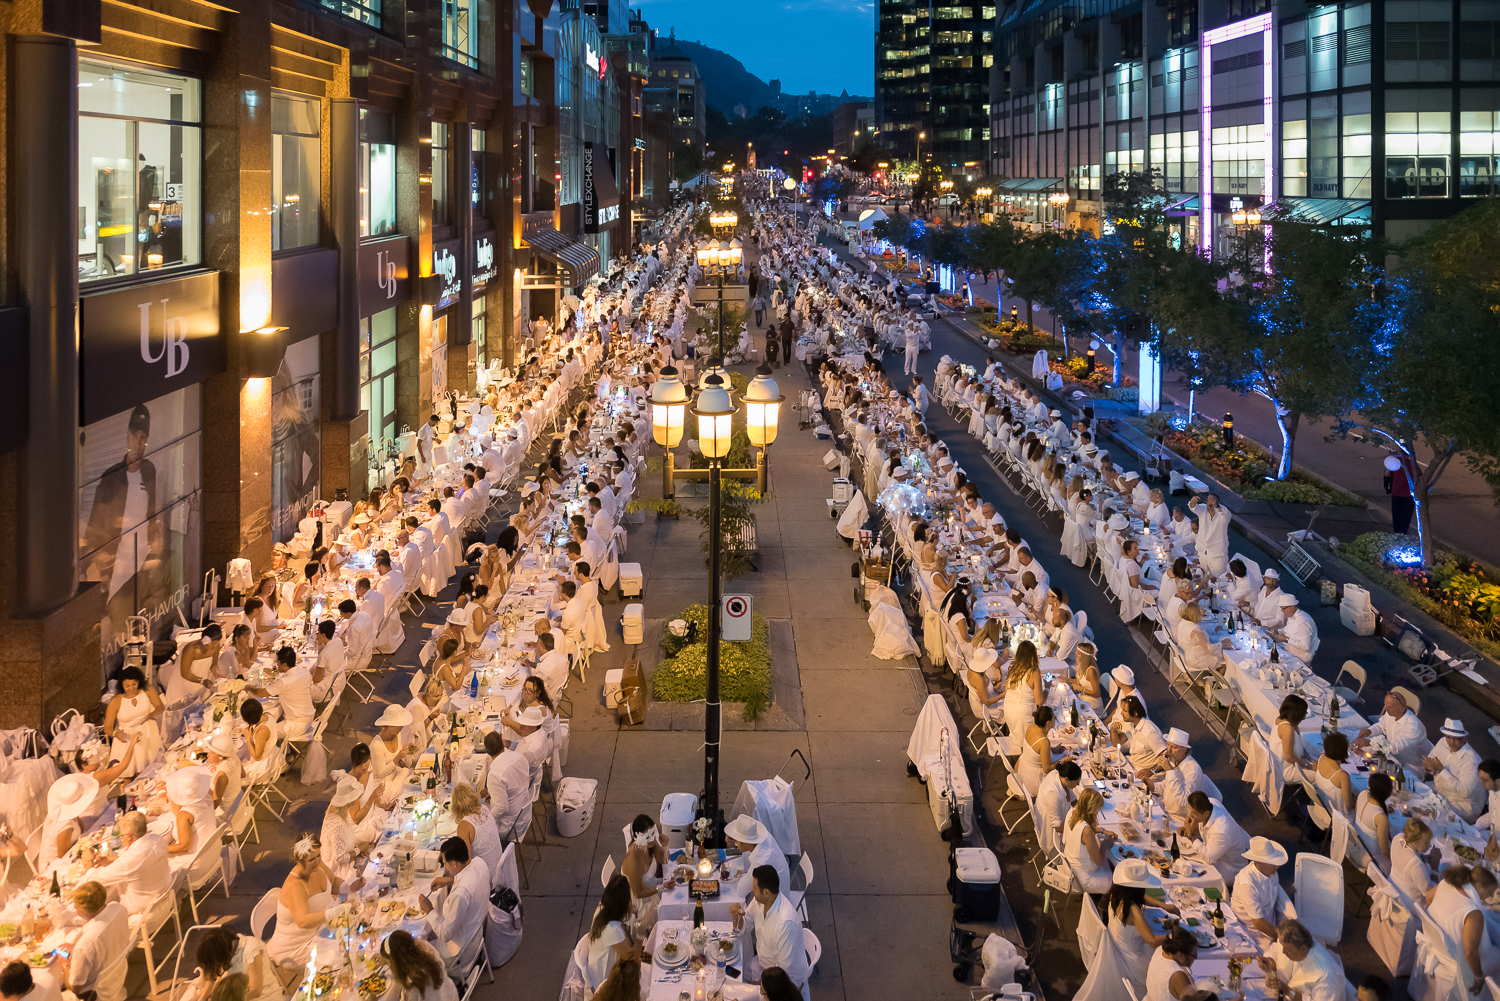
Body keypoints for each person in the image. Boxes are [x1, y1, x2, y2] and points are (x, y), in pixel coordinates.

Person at [268, 834, 362, 970]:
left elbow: (334, 882)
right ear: (299, 861)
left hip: (323, 928)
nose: (317, 861)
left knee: (358, 932)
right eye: (312, 859)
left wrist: (349, 887)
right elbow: (303, 921)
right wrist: (332, 913)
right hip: (297, 947)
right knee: (345, 955)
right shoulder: (295, 886)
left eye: (319, 855)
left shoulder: (317, 865)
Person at [731, 866, 809, 1000]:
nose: (751, 890)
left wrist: (761, 986)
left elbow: (784, 972)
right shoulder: (759, 901)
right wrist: (736, 917)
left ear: (766, 892)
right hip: (763, 963)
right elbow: (746, 925)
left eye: (754, 887)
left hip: (782, 984)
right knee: (733, 980)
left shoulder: (786, 923)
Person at [418, 837, 490, 977]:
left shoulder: (459, 895)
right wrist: (450, 880)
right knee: (431, 932)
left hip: (459, 953)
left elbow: (445, 935)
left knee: (417, 949)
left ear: (454, 864)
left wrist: (429, 910)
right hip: (477, 933)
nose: (444, 866)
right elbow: (472, 883)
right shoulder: (479, 863)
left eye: (445, 863)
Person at [1108, 859, 1178, 993]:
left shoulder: (1117, 894)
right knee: (1171, 958)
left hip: (1120, 953)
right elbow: (1152, 941)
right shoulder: (1133, 910)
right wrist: (1175, 934)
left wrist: (1162, 905)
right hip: (1134, 964)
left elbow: (1141, 897)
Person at [85, 809, 172, 912]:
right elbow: (140, 862)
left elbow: (93, 879)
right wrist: (112, 860)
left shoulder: (129, 861)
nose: (121, 839)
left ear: (129, 836)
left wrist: (88, 862)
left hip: (143, 913)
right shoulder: (158, 839)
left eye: (121, 836)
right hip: (166, 899)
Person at [59, 882, 130, 1001]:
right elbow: (108, 936)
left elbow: (74, 988)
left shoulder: (84, 947)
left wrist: (65, 965)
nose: (74, 908)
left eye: (75, 905)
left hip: (95, 994)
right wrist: (77, 946)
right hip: (118, 975)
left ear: (84, 911)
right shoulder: (118, 908)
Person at [188, 924, 278, 1001]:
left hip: (263, 997)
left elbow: (256, 991)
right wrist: (201, 999)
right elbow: (212, 977)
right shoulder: (224, 948)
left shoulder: (251, 950)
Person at [1260, 919, 1343, 1001]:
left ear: (1303, 949)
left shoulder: (1325, 976)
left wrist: (1289, 992)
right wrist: (1271, 961)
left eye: (1287, 950)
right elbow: (1276, 949)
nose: (1283, 952)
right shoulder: (1290, 944)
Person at [1179, 791, 1251, 886]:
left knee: (1191, 875)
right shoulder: (1211, 802)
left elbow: (1209, 857)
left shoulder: (1221, 830)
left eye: (1193, 813)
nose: (1190, 816)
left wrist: (1193, 836)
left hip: (1229, 868)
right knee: (1185, 861)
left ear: (1205, 813)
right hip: (1215, 853)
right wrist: (1187, 828)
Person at [102, 665, 164, 775]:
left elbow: (160, 706)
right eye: (127, 686)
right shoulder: (116, 701)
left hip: (147, 734)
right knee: (127, 774)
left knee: (153, 770)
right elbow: (107, 727)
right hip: (126, 739)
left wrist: (152, 714)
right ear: (122, 685)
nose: (131, 688)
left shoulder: (147, 690)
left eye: (134, 684)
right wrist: (116, 733)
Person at [620, 814, 675, 934]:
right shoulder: (634, 860)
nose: (652, 839)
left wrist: (665, 845)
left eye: (653, 834)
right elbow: (638, 893)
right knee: (668, 907)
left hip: (651, 887)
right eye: (647, 836)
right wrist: (662, 887)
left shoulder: (649, 840)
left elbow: (664, 860)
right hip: (637, 900)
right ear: (637, 837)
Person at [1423, 718, 1486, 822]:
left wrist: (1441, 770)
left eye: (1456, 738)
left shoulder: (1471, 761)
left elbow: (1465, 792)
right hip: (1440, 790)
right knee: (1416, 797)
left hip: (1462, 804)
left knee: (1436, 816)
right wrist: (1430, 768)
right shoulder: (1443, 742)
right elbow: (1431, 763)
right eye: (1449, 737)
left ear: (1464, 738)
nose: (1451, 742)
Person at [581, 874, 636, 993]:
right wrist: (643, 929)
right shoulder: (613, 930)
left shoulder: (601, 909)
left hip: (595, 966)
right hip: (605, 980)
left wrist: (627, 908)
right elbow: (632, 959)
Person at [1231, 837, 1293, 940]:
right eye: (1272, 862)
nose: (1277, 866)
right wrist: (1285, 940)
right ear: (1258, 862)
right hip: (1250, 934)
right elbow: (1258, 924)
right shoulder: (1247, 883)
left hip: (1270, 927)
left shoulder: (1272, 873)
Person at [1147, 729, 1211, 823]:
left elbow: (1182, 803)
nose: (1169, 750)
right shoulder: (1174, 761)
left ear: (1184, 749)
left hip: (1180, 819)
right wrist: (1153, 786)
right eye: (1168, 744)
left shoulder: (1193, 770)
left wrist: (1170, 771)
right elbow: (1168, 786)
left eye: (1174, 747)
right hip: (1167, 809)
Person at [449, 783, 504, 891]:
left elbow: (464, 865)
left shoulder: (465, 825)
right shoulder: (484, 808)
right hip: (498, 869)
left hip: (483, 878)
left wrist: (447, 880)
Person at [1354, 690, 1430, 767]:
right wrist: (1369, 731)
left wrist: (1370, 742)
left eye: (1389, 707)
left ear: (1402, 709)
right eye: (1385, 705)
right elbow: (1382, 726)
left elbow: (1394, 746)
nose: (1386, 709)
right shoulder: (1391, 713)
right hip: (1390, 757)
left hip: (1410, 766)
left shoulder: (1413, 727)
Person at [39, 773, 97, 872]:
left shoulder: (60, 811)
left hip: (67, 853)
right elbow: (62, 857)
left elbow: (80, 827)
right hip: (53, 868)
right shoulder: (66, 826)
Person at [378, 930, 457, 1001]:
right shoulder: (425, 947)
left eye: (390, 963)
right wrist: (385, 959)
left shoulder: (412, 982)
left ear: (398, 963)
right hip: (449, 993)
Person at [725, 815, 790, 902]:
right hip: (777, 884)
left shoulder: (760, 861)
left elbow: (741, 891)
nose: (735, 844)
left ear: (745, 842)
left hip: (776, 900)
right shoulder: (761, 839)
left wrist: (740, 876)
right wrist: (736, 840)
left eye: (736, 843)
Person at [482, 730, 531, 842]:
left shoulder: (494, 775)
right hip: (525, 813)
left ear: (487, 751)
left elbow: (502, 808)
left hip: (510, 826)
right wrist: (495, 798)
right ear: (503, 743)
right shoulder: (519, 756)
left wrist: (488, 821)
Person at [1064, 787, 1114, 893]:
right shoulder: (1086, 831)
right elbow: (1099, 861)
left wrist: (1102, 831)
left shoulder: (1072, 812)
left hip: (1070, 865)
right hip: (1084, 877)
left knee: (1111, 863)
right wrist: (1105, 845)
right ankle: (1103, 904)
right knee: (1118, 884)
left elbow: (1081, 828)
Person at [320, 771, 366, 883]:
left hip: (345, 859)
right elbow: (339, 859)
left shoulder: (338, 812)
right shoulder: (337, 824)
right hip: (335, 872)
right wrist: (359, 850)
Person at [164, 766, 218, 857]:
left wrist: (159, 849)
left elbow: (184, 848)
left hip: (195, 860)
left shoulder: (185, 815)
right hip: (212, 851)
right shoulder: (208, 797)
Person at [1035, 760, 1081, 855]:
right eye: (1076, 782)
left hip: (1061, 819)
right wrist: (1080, 833)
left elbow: (1073, 800)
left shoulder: (1059, 775)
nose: (1078, 785)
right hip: (1053, 835)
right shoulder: (1053, 794)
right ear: (1067, 779)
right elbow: (1057, 827)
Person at [1002, 640, 1045, 739]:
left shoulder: (1012, 667)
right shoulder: (1034, 672)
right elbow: (1040, 701)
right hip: (1023, 715)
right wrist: (1047, 688)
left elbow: (1007, 688)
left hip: (1009, 711)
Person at [1390, 818, 1438, 906]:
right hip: (1411, 905)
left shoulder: (1397, 838)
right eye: (1426, 842)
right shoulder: (1415, 864)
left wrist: (1426, 858)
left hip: (1396, 891)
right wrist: (1435, 867)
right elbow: (1429, 894)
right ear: (1415, 843)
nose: (1430, 845)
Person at [1114, 696, 1166, 776]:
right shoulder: (1131, 722)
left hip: (1144, 774)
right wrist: (1113, 730)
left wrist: (1151, 771)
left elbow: (1167, 757)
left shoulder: (1150, 733)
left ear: (1135, 713)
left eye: (1124, 711)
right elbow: (1117, 742)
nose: (1121, 713)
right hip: (1132, 763)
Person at [1145, 927, 1199, 1001]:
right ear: (1180, 955)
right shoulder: (1178, 976)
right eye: (1194, 956)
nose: (1195, 958)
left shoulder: (1160, 950)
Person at [1274, 695, 1316, 785]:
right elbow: (1288, 757)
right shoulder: (1287, 728)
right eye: (1303, 714)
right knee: (1321, 777)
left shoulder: (1285, 720)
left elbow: (1299, 744)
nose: (1304, 718)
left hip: (1294, 762)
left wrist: (1311, 759)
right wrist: (1308, 766)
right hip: (1285, 770)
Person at [1356, 773, 1395, 864]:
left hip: (1357, 847)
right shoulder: (1381, 818)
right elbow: (1385, 851)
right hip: (1370, 858)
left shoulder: (1362, 794)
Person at [1186, 493, 1230, 576]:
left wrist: (1216, 506)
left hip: (1217, 556)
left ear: (1218, 502)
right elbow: (1192, 507)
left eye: (1212, 499)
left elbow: (1226, 514)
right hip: (1203, 553)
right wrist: (1193, 501)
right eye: (1208, 498)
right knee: (1203, 578)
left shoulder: (1223, 515)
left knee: (1219, 580)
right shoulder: (1203, 509)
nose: (1210, 499)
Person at [1017, 705, 1056, 798]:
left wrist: (1053, 750)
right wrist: (1061, 762)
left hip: (1022, 769)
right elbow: (1047, 769)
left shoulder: (1031, 726)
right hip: (1033, 780)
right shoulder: (1044, 742)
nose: (1056, 718)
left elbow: (1035, 752)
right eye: (1054, 717)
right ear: (1048, 723)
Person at [1313, 732, 1355, 814]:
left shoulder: (1321, 758)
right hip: (1338, 817)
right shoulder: (1342, 775)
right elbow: (1350, 805)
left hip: (1322, 809)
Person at [1273, 594, 1319, 663]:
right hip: (1290, 651)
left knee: (1275, 661)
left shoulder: (1302, 622)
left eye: (1283, 608)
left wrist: (1286, 639)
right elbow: (1289, 630)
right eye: (1281, 608)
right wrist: (1278, 631)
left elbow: (1306, 647)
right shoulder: (1292, 616)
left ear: (1291, 607)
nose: (1282, 610)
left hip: (1300, 659)